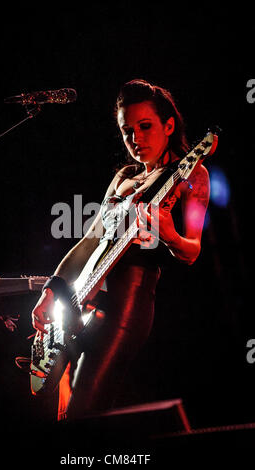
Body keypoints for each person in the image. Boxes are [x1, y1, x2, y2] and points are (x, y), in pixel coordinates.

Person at [31, 79, 210, 421]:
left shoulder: (192, 174)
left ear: (168, 125)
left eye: (145, 127)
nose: (136, 139)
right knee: (49, 409)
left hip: (126, 306)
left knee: (84, 411)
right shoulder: (124, 177)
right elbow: (90, 242)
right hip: (81, 297)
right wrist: (51, 289)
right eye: (127, 131)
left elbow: (192, 250)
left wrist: (170, 234)